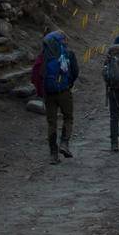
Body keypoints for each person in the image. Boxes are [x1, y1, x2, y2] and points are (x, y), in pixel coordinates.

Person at [31, 27, 79, 164]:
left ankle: (53, 154)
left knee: (51, 123)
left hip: (49, 93)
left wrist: (41, 91)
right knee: (68, 117)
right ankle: (64, 143)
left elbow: (35, 74)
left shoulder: (43, 55)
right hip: (64, 91)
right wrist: (68, 83)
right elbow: (75, 71)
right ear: (62, 40)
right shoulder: (68, 53)